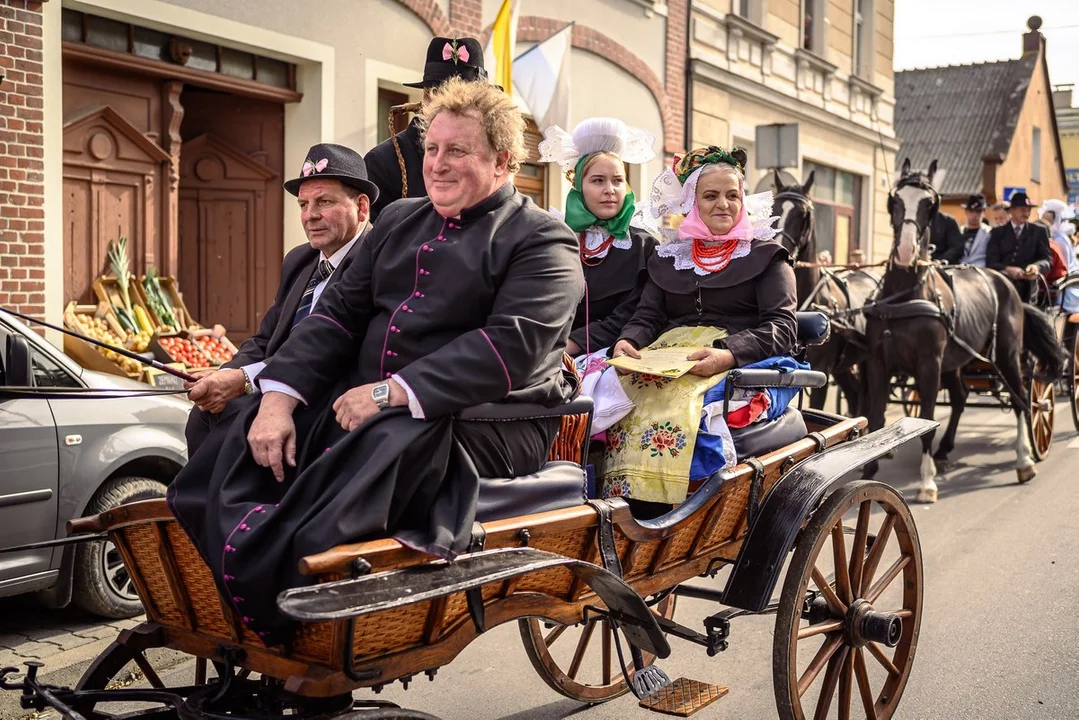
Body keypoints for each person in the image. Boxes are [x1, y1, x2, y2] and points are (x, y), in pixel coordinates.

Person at [167, 77, 585, 646]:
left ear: (503, 160)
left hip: (490, 421)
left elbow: (512, 346)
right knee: (237, 423)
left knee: (383, 436)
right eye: (432, 149)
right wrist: (277, 399)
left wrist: (389, 392)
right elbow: (335, 316)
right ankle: (241, 567)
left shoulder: (543, 238)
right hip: (371, 410)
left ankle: (289, 589)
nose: (436, 164)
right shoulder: (397, 220)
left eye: (456, 151)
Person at [603, 146, 797, 515]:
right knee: (612, 399)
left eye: (732, 195)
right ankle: (621, 507)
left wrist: (727, 354)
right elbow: (647, 316)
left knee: (679, 410)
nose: (723, 204)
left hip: (734, 357)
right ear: (692, 203)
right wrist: (628, 342)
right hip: (665, 358)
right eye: (710, 195)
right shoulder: (668, 258)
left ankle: (675, 513)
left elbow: (783, 327)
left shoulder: (768, 255)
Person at [183, 144, 376, 454]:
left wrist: (245, 380)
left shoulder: (374, 260)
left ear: (362, 207)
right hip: (271, 385)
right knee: (204, 417)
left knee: (240, 425)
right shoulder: (300, 260)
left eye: (324, 202)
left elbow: (334, 353)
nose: (310, 216)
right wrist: (224, 375)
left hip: (328, 402)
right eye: (303, 204)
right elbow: (264, 339)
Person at [538, 117, 658, 357]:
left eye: (617, 181)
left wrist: (571, 345)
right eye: (597, 180)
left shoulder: (643, 245)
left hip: (615, 352)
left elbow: (634, 312)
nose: (609, 190)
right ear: (578, 186)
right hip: (548, 350)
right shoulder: (555, 239)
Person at [364, 37, 487, 221]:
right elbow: (374, 241)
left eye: (471, 104)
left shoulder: (490, 156)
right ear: (428, 98)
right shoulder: (382, 162)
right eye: (453, 104)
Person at [986, 191, 1052, 302]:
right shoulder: (997, 233)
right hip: (1003, 285)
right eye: (1022, 210)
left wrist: (1036, 267)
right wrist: (1007, 269)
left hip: (1028, 286)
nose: (1026, 213)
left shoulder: (1039, 231)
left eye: (1028, 210)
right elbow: (991, 261)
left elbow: (1047, 260)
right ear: (1011, 211)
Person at [958, 194, 992, 266]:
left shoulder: (990, 232)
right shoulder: (959, 231)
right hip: (960, 269)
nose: (974, 215)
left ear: (984, 212)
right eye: (971, 211)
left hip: (981, 270)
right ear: (966, 212)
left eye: (978, 211)